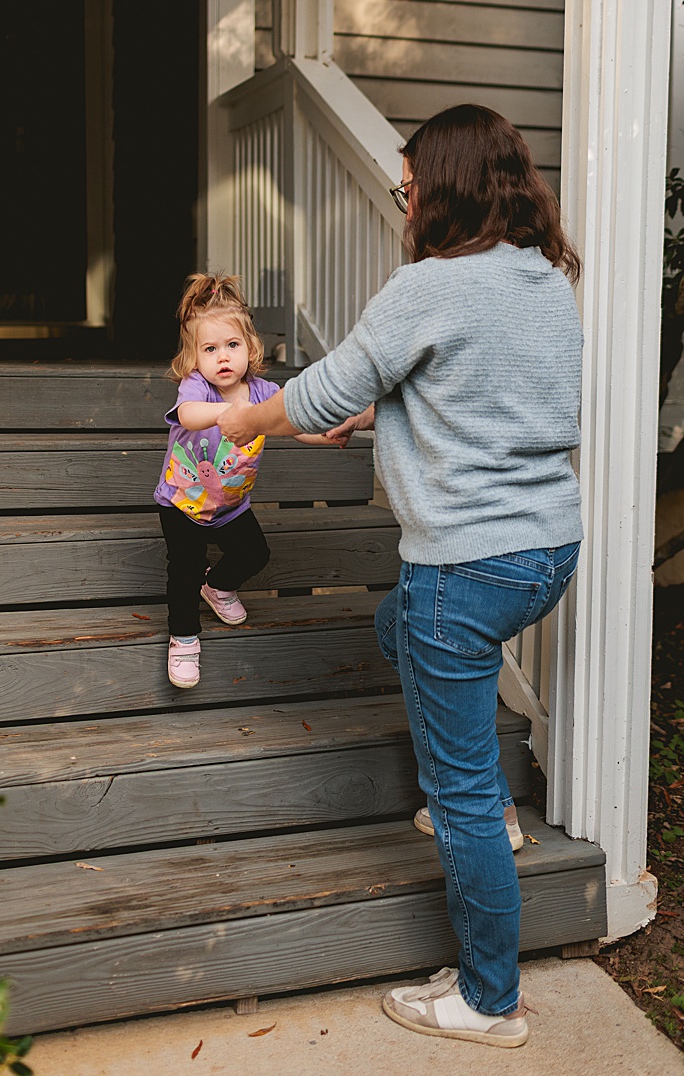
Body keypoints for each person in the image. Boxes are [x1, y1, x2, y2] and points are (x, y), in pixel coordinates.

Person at [218, 103, 583, 1048]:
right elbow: (492, 401)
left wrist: (241, 417)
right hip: (547, 552)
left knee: (455, 787)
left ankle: (490, 1001)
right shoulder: (544, 280)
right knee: (402, 632)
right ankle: (489, 808)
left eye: (411, 185)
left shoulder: (429, 285)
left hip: (463, 565)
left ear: (446, 188)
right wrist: (385, 416)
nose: (406, 201)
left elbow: (318, 393)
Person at [153, 274, 337, 689]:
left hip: (231, 505)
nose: (223, 357)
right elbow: (187, 415)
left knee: (255, 553)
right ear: (194, 357)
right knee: (183, 570)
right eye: (210, 349)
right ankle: (184, 638)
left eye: (232, 345)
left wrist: (326, 434)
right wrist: (230, 414)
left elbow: (293, 424)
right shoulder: (197, 387)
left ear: (250, 348)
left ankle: (218, 586)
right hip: (182, 502)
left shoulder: (262, 392)